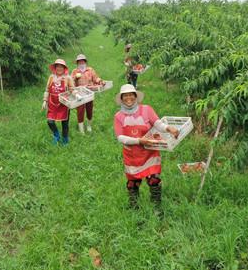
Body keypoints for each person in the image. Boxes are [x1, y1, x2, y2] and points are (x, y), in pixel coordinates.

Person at [113, 84, 179, 212]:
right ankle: (134, 207)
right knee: (133, 183)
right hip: (132, 155)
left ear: (136, 96)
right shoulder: (118, 116)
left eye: (131, 95)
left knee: (154, 179)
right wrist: (138, 140)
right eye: (125, 96)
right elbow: (120, 137)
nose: (129, 98)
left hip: (149, 153)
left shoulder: (146, 109)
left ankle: (156, 207)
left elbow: (157, 123)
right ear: (121, 99)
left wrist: (168, 128)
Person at [42, 59, 74, 145]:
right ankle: (56, 135)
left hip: (63, 104)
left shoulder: (68, 78)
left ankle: (65, 139)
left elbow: (72, 89)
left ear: (64, 68)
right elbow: (47, 89)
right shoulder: (51, 77)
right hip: (52, 103)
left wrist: (76, 95)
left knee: (65, 123)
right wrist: (45, 101)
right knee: (50, 121)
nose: (59, 68)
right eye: (57, 66)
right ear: (55, 68)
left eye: (61, 67)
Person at [71, 54, 104, 133]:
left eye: (82, 61)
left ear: (85, 62)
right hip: (79, 94)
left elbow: (96, 78)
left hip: (89, 93)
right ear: (77, 63)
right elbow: (71, 83)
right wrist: (75, 78)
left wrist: (100, 81)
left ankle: (89, 125)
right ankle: (81, 129)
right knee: (80, 111)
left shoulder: (90, 70)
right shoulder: (75, 71)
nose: (81, 63)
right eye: (79, 62)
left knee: (89, 109)